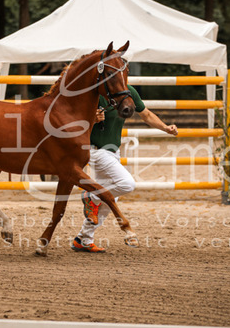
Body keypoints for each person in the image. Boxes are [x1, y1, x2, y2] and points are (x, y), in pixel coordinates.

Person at [71, 84, 178, 253]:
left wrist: (165, 128)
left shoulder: (128, 92)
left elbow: (146, 114)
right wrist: (92, 119)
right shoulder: (93, 93)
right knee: (127, 184)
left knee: (110, 199)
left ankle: (83, 239)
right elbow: (72, 123)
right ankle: (91, 195)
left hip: (113, 151)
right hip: (95, 150)